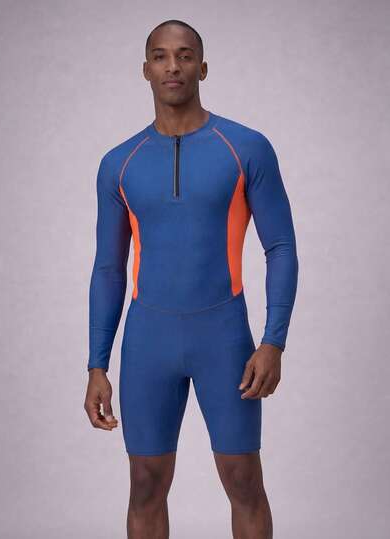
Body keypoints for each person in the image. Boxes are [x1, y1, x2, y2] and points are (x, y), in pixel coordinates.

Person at [84, 18, 298, 539]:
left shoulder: (245, 147)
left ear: (202, 68)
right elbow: (109, 268)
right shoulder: (119, 163)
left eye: (184, 55)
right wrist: (97, 364)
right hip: (148, 341)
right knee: (145, 484)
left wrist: (273, 341)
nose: (172, 66)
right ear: (145, 70)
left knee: (243, 480)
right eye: (160, 56)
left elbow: (281, 247)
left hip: (223, 338)